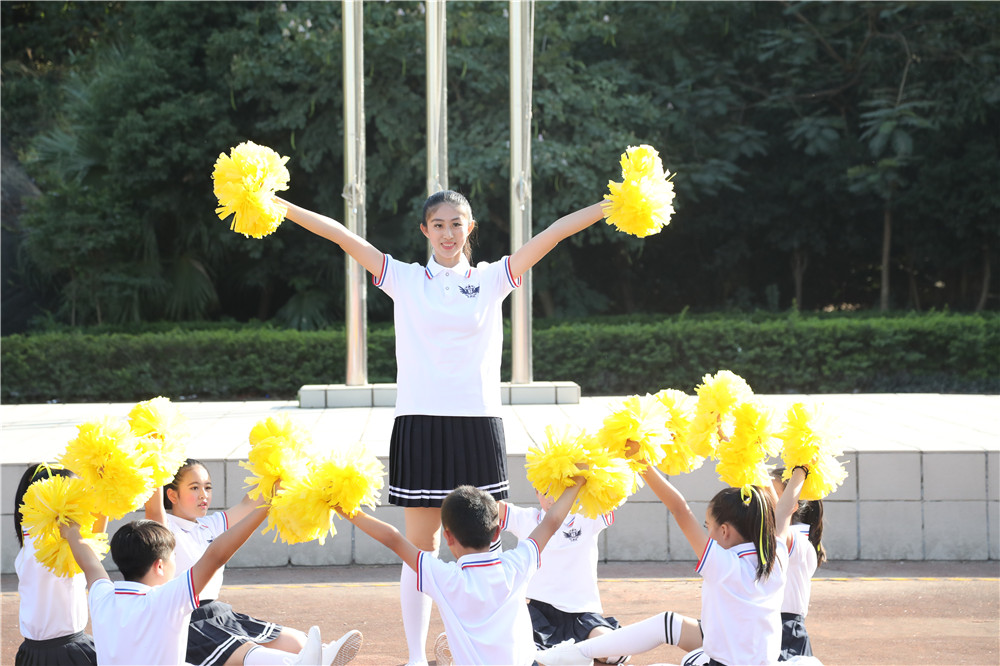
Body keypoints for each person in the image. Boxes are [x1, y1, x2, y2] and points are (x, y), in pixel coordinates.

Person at [278, 189, 606, 665]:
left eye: (457, 224)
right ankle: (416, 657)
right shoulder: (405, 278)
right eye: (438, 224)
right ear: (424, 230)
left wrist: (612, 204)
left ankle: (496, 653)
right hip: (420, 423)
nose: (448, 233)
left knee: (488, 545)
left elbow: (554, 233)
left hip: (479, 425)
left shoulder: (494, 277)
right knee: (421, 548)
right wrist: (282, 207)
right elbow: (342, 235)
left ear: (470, 228)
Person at [537, 466, 809, 666]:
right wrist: (802, 470)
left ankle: (575, 654)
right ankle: (578, 653)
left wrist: (642, 463)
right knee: (668, 623)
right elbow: (784, 509)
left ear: (724, 531)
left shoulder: (724, 565)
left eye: (708, 527)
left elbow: (680, 509)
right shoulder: (776, 558)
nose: (707, 533)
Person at [340, 475, 587, 666]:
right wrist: (578, 482)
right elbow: (552, 521)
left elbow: (393, 538)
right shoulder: (517, 564)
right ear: (497, 532)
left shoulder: (445, 578)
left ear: (447, 537)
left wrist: (345, 509)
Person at [60, 493, 325, 665]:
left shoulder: (102, 596)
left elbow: (89, 562)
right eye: (173, 556)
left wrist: (70, 531)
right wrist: (265, 508)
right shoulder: (167, 599)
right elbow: (215, 555)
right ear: (160, 565)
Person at [144, 459, 362, 666]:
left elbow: (250, 502)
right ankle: (301, 663)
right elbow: (154, 508)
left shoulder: (211, 524)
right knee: (246, 651)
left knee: (298, 642)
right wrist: (155, 453)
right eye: (194, 488)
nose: (204, 495)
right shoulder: (164, 527)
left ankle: (320, 655)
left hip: (218, 612)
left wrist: (282, 471)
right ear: (172, 495)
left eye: (208, 487)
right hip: (187, 619)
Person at [499, 490, 625, 664]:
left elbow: (616, 493)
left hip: (582, 614)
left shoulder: (588, 516)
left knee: (615, 653)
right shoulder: (525, 519)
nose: (551, 499)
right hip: (538, 613)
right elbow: (490, 506)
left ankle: (570, 653)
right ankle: (564, 654)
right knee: (513, 650)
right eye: (545, 492)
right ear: (536, 493)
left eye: (558, 491)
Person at [13, 463, 104, 666]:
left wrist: (104, 491)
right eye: (74, 499)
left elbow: (95, 538)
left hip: (69, 649)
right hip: (48, 653)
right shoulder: (40, 543)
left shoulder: (68, 543)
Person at [771, 467, 825, 660]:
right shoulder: (773, 537)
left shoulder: (795, 539)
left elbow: (781, 514)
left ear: (792, 504)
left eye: (770, 492)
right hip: (763, 627)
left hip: (785, 635)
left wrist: (801, 470)